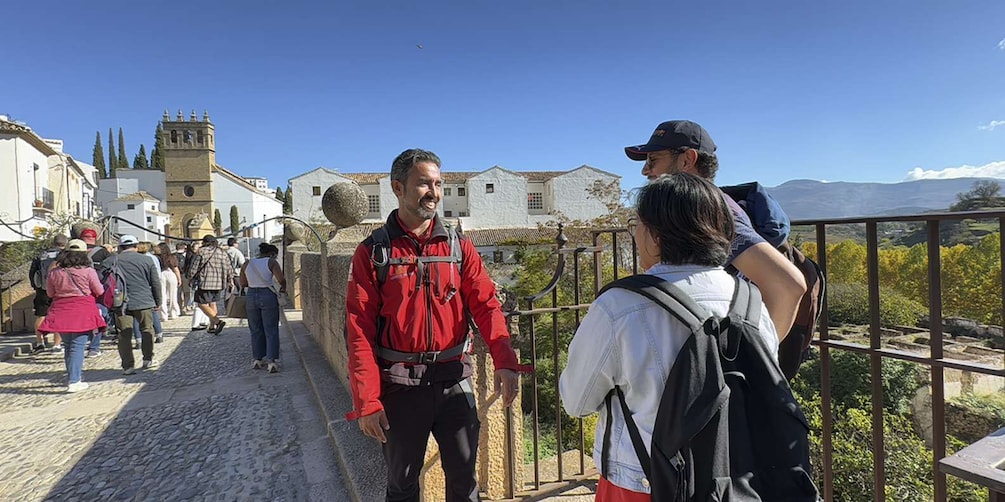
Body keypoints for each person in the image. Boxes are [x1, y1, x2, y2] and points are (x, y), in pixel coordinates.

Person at [559, 174, 781, 501]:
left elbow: (577, 402)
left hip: (640, 482)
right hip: (735, 485)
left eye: (638, 223)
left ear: (656, 237)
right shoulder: (751, 302)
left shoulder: (620, 307)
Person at [345, 148, 522, 502]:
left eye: (438, 184)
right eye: (424, 183)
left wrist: (505, 360)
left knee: (464, 483)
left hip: (454, 381)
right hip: (399, 388)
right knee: (402, 486)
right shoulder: (374, 252)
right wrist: (367, 400)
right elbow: (358, 330)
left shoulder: (458, 245)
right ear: (398, 187)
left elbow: (486, 306)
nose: (434, 192)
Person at [624, 120, 806, 335]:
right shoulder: (697, 209)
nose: (646, 170)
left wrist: (758, 357)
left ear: (687, 160)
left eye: (653, 160)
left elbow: (788, 285)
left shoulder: (714, 213)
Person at [39, 239, 107, 392]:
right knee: (77, 346)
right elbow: (100, 290)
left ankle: (72, 377)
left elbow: (50, 293)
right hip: (82, 310)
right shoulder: (88, 271)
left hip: (61, 310)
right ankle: (74, 380)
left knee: (69, 346)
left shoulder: (54, 273)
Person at [101, 235, 161, 374]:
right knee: (147, 330)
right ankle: (148, 359)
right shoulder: (147, 259)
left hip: (120, 302)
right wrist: (158, 301)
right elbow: (155, 283)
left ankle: (128, 366)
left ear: (120, 247)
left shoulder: (111, 260)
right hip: (144, 301)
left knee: (124, 334)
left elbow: (102, 279)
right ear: (136, 245)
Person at [239, 242, 287, 373]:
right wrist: (283, 289)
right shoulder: (271, 263)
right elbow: (281, 279)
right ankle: (271, 361)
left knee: (255, 329)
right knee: (271, 329)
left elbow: (242, 283)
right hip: (267, 295)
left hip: (251, 295)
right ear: (272, 254)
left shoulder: (247, 263)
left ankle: (257, 359)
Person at [187, 234, 232, 335]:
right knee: (213, 303)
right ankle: (212, 326)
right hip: (219, 283)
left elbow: (194, 267)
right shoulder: (222, 252)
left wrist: (190, 278)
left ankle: (217, 321)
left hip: (205, 282)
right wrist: (230, 279)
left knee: (201, 303)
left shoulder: (201, 252)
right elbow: (229, 267)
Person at [29, 234, 66, 353]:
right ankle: (57, 344)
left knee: (41, 315)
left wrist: (36, 286)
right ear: (65, 243)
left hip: (42, 289)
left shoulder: (41, 254)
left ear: (53, 242)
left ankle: (40, 343)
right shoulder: (64, 255)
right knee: (59, 316)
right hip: (59, 289)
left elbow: (32, 272)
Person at [80, 228, 112, 357]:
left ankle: (78, 345)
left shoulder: (72, 252)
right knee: (99, 316)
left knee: (81, 318)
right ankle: (94, 347)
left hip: (78, 292)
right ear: (95, 238)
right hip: (99, 291)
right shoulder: (102, 252)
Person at [135, 242, 165, 344]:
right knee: (153, 311)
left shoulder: (137, 260)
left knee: (135, 313)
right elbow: (157, 273)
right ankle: (159, 334)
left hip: (139, 287)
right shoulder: (153, 258)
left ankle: (138, 340)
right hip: (151, 285)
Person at [156, 243, 182, 320]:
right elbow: (176, 269)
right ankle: (173, 313)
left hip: (160, 274)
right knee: (173, 295)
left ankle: (163, 315)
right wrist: (179, 279)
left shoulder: (157, 257)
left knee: (162, 295)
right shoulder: (171, 257)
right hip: (170, 273)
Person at [174, 242, 190, 313]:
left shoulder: (173, 256)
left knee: (179, 293)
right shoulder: (186, 256)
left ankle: (180, 308)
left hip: (175, 275)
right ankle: (185, 306)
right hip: (185, 275)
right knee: (187, 292)